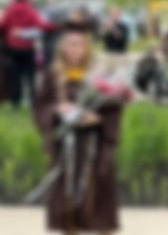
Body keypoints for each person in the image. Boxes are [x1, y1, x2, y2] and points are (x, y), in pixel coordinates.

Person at [34, 25, 122, 235]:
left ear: (87, 47)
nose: (75, 49)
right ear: (63, 47)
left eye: (80, 44)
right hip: (66, 146)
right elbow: (41, 106)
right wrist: (57, 110)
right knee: (67, 193)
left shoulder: (99, 76)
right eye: (71, 44)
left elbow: (113, 108)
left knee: (99, 193)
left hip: (95, 144)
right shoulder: (52, 75)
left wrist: (98, 119)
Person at [0, 0, 56, 108]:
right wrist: (55, 26)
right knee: (30, 76)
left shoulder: (10, 9)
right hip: (27, 48)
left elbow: (3, 26)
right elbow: (41, 25)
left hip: (12, 48)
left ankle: (15, 103)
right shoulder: (30, 9)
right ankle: (34, 101)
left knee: (15, 76)